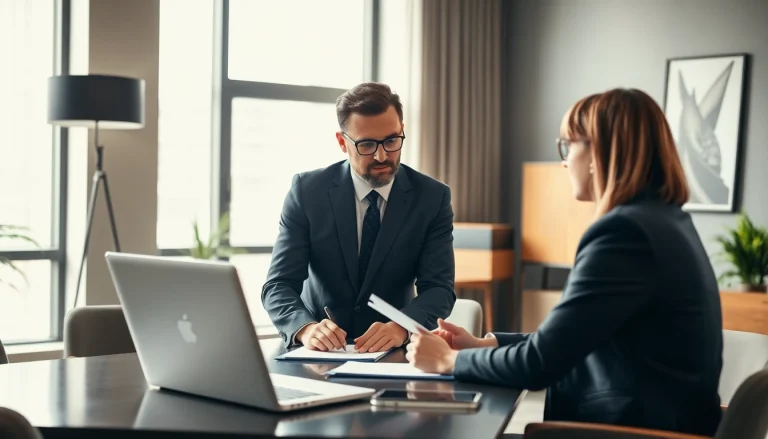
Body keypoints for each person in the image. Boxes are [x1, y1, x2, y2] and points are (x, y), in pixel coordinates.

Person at [406, 88, 723, 436]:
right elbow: (568, 339)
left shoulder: (624, 235)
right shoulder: (667, 221)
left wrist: (449, 360)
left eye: (568, 145)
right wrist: (485, 345)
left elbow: (540, 363)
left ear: (597, 151)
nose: (564, 161)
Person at [262, 82, 456, 353]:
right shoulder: (307, 192)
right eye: (366, 144)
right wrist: (305, 328)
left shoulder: (432, 198)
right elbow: (278, 285)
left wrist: (402, 327)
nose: (381, 155)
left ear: (402, 130)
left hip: (395, 351)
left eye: (391, 141)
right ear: (342, 142)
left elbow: (438, 288)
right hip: (317, 351)